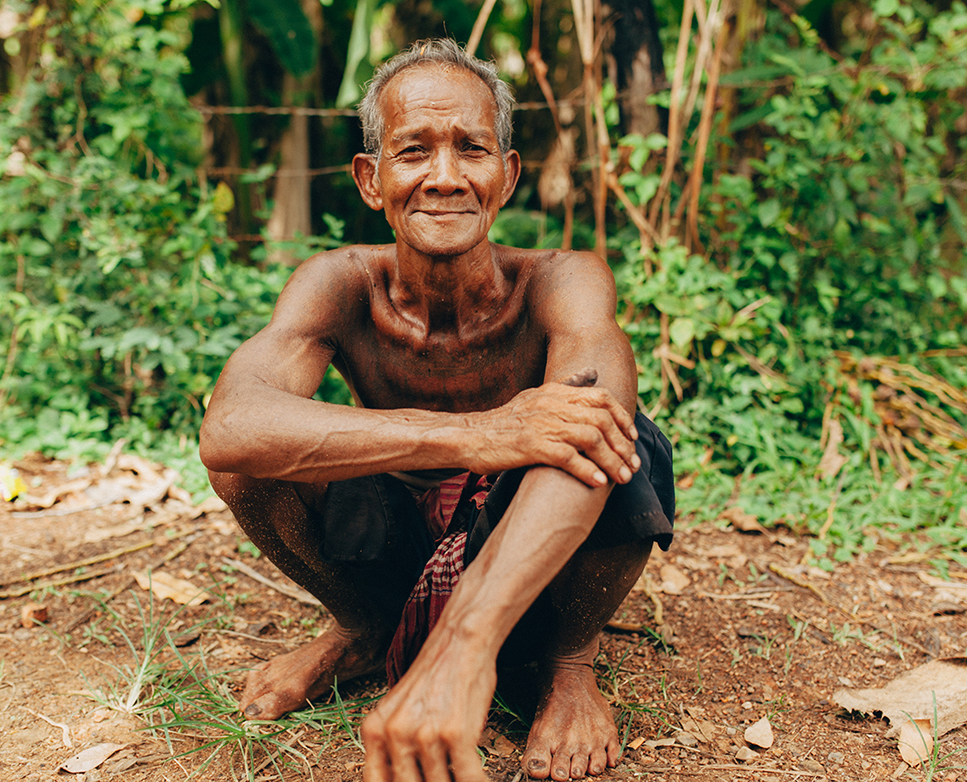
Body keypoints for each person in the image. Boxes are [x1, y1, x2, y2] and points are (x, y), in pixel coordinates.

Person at [199, 38, 674, 782]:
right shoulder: (339, 283)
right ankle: (361, 628)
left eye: (472, 149)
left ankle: (569, 665)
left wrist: (464, 647)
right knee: (250, 470)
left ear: (507, 174)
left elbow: (596, 428)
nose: (445, 178)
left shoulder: (564, 281)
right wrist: (480, 434)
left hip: (530, 537)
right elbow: (229, 427)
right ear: (370, 178)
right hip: (392, 524)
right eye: (413, 151)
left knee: (621, 437)